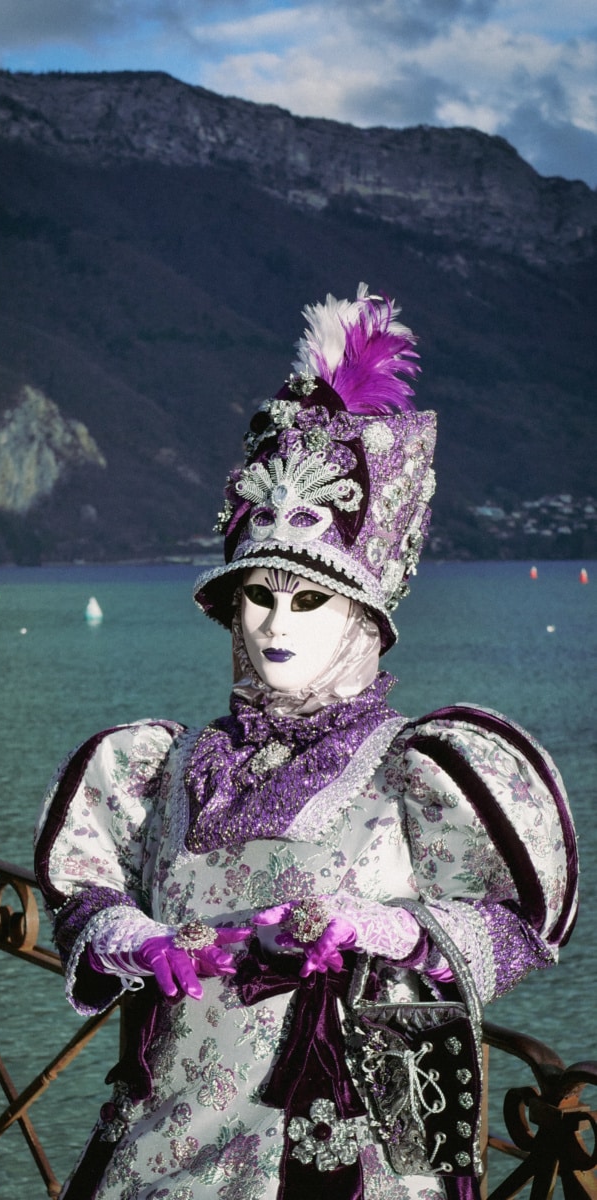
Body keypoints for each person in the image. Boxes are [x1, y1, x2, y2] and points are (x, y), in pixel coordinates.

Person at [34, 285, 577, 1200]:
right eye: (258, 594)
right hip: (167, 1143)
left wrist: (386, 930)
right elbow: (85, 891)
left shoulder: (421, 768)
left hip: (361, 1146)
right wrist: (132, 937)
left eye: (310, 597)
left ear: (363, 616)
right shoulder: (159, 769)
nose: (276, 622)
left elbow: (515, 923)